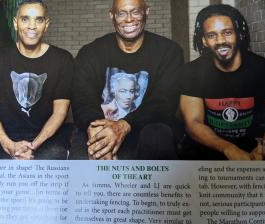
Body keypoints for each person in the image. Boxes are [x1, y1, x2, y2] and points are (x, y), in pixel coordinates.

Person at [70, 0, 184, 160]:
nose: (129, 19)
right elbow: (82, 97)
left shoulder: (169, 51)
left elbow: (164, 103)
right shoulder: (91, 52)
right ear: (112, 16)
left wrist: (124, 125)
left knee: (158, 136)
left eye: (135, 12)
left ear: (146, 12)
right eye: (121, 13)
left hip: (146, 128)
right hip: (99, 127)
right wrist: (98, 132)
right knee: (81, 164)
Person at [179, 4, 265, 160]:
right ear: (204, 41)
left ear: (239, 34)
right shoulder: (191, 72)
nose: (221, 41)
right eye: (212, 35)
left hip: (254, 149)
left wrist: (264, 149)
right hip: (210, 150)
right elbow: (193, 124)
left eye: (227, 33)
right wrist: (228, 148)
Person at [0, 0, 73, 159]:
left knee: (55, 155)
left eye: (39, 20)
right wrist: (9, 144)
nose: (32, 26)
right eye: (25, 19)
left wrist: (34, 146)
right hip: (2, 136)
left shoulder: (62, 60)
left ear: (46, 24)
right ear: (15, 23)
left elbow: (60, 112)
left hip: (46, 138)